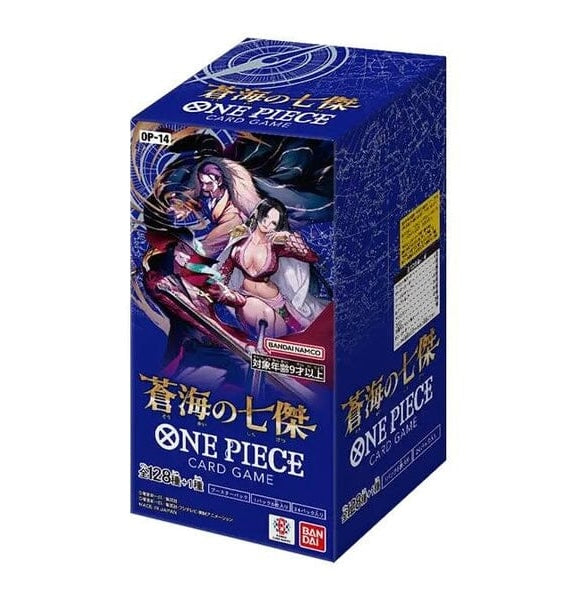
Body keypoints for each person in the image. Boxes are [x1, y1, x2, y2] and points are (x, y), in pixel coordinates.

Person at [211, 198, 328, 338]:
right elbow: (227, 265)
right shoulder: (240, 235)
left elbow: (310, 257)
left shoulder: (276, 244)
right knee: (256, 332)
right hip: (245, 295)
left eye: (273, 223)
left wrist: (289, 238)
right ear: (257, 214)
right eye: (265, 217)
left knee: (300, 334)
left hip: (276, 303)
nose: (267, 224)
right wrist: (220, 286)